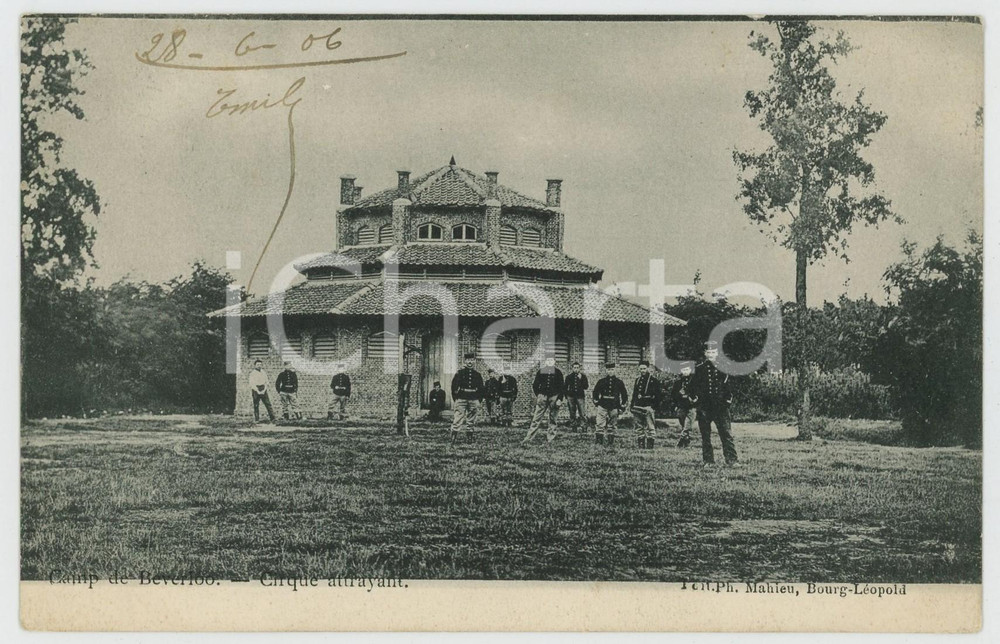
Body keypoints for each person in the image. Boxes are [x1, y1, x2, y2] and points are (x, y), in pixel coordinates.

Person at [690, 340, 739, 467]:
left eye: (713, 352)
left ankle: (732, 460)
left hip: (721, 407)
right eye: (708, 352)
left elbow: (729, 387)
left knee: (726, 434)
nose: (711, 354)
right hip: (705, 407)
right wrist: (696, 400)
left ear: (717, 353)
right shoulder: (699, 369)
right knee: (706, 436)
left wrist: (727, 400)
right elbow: (692, 387)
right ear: (705, 353)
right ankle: (708, 461)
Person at [522, 357, 564, 444]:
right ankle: (529, 438)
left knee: (553, 419)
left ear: (554, 361)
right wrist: (539, 395)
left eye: (551, 360)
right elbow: (535, 385)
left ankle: (550, 438)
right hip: (543, 397)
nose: (550, 362)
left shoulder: (558, 372)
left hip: (554, 397)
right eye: (548, 360)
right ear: (545, 361)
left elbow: (562, 387)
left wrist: (559, 399)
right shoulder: (541, 371)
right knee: (536, 418)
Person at [451, 352, 485, 442]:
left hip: (473, 399)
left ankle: (469, 436)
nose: (470, 362)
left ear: (474, 361)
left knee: (471, 418)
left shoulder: (477, 375)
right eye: (468, 360)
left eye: (471, 360)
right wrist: (456, 399)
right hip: (461, 398)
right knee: (458, 417)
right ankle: (454, 436)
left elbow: (481, 389)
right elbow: (454, 386)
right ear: (465, 361)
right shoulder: (460, 373)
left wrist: (478, 400)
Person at [592, 362, 628, 446]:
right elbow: (595, 392)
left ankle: (610, 442)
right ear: (606, 370)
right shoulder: (601, 381)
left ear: (615, 370)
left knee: (612, 424)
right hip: (603, 405)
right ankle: (599, 442)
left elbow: (624, 394)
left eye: (612, 369)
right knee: (600, 423)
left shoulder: (619, 382)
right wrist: (596, 401)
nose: (610, 371)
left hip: (614, 405)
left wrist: (622, 406)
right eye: (608, 370)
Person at [631, 360, 662, 449]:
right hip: (638, 406)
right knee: (639, 426)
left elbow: (658, 395)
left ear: (648, 368)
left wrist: (653, 407)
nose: (643, 370)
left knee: (650, 427)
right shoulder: (637, 380)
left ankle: (650, 446)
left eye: (644, 368)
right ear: (638, 369)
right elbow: (635, 394)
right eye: (641, 369)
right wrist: (632, 405)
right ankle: (641, 445)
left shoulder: (653, 381)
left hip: (648, 406)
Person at [671, 361, 697, 448]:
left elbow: (698, 393)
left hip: (692, 406)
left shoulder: (695, 381)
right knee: (683, 424)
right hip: (681, 406)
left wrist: (694, 399)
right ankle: (686, 439)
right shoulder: (678, 383)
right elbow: (673, 395)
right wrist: (676, 404)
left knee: (688, 424)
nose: (685, 371)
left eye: (687, 369)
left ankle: (681, 440)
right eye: (683, 369)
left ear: (690, 370)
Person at [563, 361, 590, 432]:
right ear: (572, 368)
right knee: (572, 412)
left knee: (582, 413)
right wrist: (567, 397)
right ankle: (573, 427)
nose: (576, 369)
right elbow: (565, 388)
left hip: (580, 397)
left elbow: (586, 386)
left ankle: (584, 427)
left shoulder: (583, 376)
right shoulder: (568, 377)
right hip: (571, 397)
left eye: (577, 368)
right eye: (574, 368)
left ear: (580, 368)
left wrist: (580, 379)